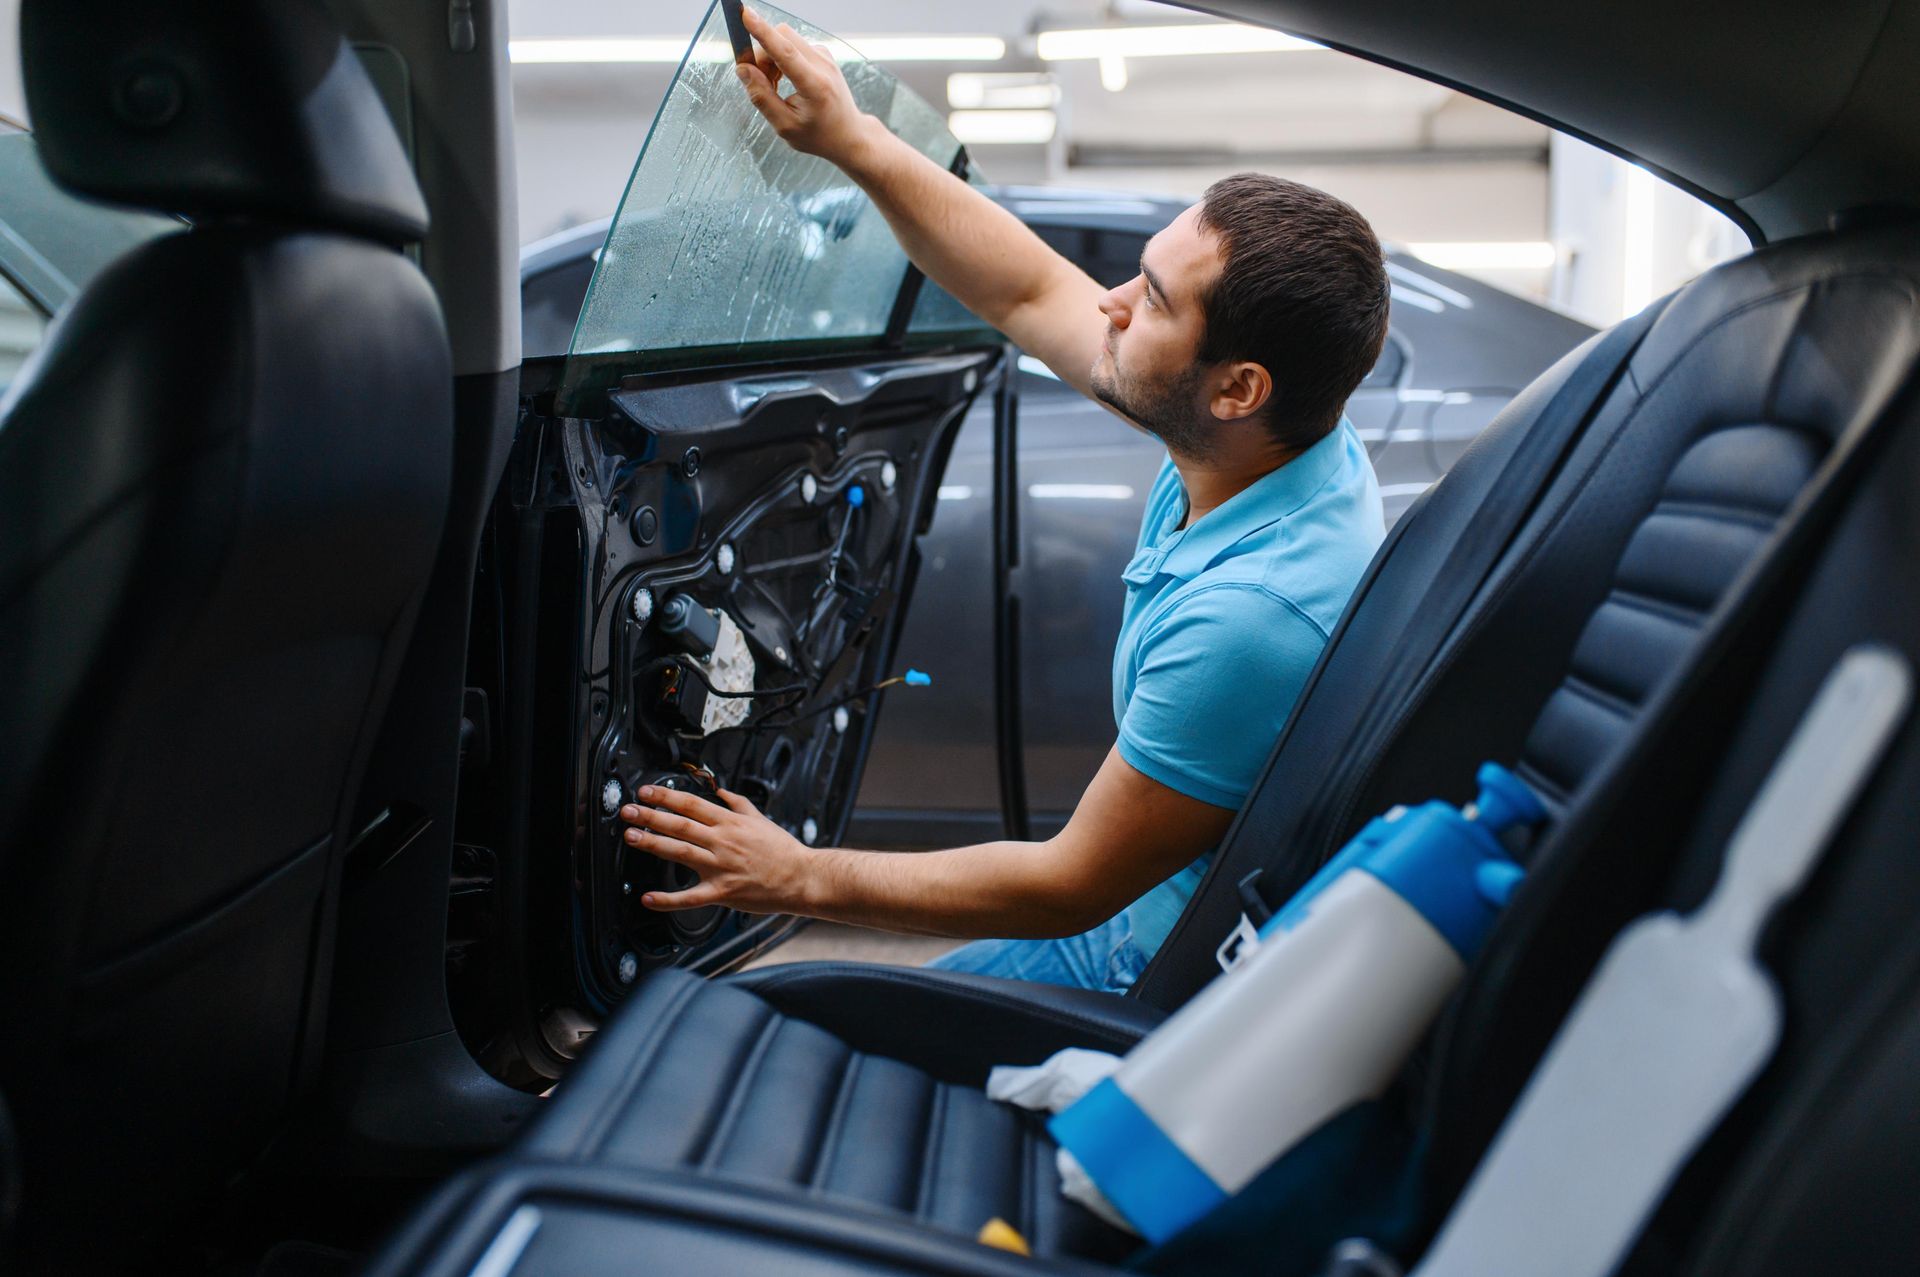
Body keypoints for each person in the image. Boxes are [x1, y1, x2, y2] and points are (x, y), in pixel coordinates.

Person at [616, 6, 1388, 992]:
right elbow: (1029, 293)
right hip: (1151, 909)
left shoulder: (1254, 619)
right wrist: (850, 137)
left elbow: (1069, 885)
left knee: (831, 1031)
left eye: (1151, 298)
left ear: (1239, 388)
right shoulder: (1273, 447)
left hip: (1155, 960)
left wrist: (795, 874)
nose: (1109, 300)